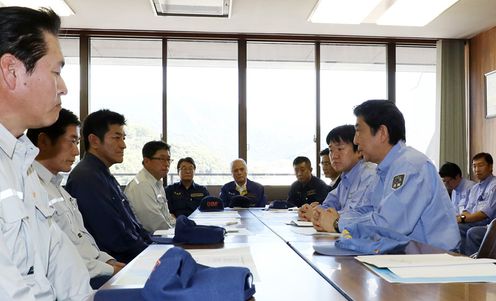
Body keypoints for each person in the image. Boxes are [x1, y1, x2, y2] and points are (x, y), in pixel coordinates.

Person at [0, 7, 92, 300]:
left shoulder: (21, 162)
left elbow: (61, 262)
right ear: (12, 71)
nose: (63, 88)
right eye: (56, 72)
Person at [313, 99, 460, 251]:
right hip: (405, 256)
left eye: (359, 131)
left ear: (382, 133)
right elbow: (368, 210)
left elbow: (389, 225)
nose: (356, 140)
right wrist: (334, 218)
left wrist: (338, 224)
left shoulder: (410, 166)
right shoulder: (384, 169)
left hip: (434, 260)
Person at [27, 108, 125, 289]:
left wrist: (109, 261)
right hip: (77, 282)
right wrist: (109, 269)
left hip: (94, 271)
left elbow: (84, 242)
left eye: (77, 142)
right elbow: (58, 259)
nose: (76, 151)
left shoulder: (59, 189)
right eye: (72, 142)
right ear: (43, 141)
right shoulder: (32, 188)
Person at [66, 109, 152, 263]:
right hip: (118, 265)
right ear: (94, 141)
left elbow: (132, 227)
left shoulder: (102, 174)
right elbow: (114, 238)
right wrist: (151, 255)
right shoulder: (87, 178)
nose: (123, 145)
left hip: (132, 256)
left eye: (123, 138)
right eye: (117, 138)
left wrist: (153, 247)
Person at [300, 125, 376, 224]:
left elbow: (358, 215)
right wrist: (312, 211)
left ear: (358, 150)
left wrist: (318, 215)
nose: (334, 156)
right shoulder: (345, 178)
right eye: (331, 150)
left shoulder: (369, 175)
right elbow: (328, 205)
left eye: (340, 149)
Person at [125, 141, 176, 232]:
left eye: (168, 159)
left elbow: (166, 216)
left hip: (160, 235)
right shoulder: (142, 185)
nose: (167, 164)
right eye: (161, 159)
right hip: (148, 241)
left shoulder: (157, 183)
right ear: (146, 161)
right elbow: (156, 225)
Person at [457, 153, 496, 254]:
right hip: (473, 223)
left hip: (490, 226)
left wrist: (462, 219)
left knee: (473, 232)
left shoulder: (494, 186)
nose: (477, 169)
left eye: (481, 165)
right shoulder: (474, 188)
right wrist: (461, 218)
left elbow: (485, 214)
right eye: (474, 166)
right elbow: (466, 210)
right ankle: (462, 260)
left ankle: (474, 265)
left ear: (490, 167)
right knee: (455, 227)